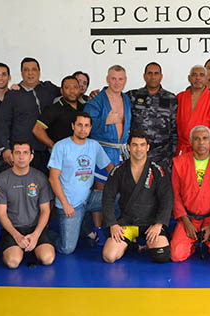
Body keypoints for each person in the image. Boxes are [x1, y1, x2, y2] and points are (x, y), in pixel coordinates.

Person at [102, 130, 173, 263]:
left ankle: (144, 244)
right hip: (128, 222)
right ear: (128, 147)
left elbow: (167, 198)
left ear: (147, 147)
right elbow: (107, 197)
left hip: (150, 223)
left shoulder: (157, 170)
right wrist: (112, 224)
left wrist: (159, 224)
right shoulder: (119, 170)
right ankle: (132, 244)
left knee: (161, 255)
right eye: (134, 145)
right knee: (109, 256)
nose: (138, 149)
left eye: (142, 145)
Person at [48, 112, 113, 254]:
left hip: (88, 198)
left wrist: (125, 184)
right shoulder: (61, 146)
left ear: (90, 128)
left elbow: (110, 168)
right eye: (79, 125)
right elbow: (53, 178)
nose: (83, 129)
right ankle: (46, 236)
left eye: (86, 126)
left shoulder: (94, 145)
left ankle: (88, 226)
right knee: (67, 249)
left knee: (120, 198)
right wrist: (65, 204)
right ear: (73, 126)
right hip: (70, 204)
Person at [83, 65, 132, 245]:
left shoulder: (126, 99)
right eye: (113, 78)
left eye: (120, 78)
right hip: (102, 150)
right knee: (101, 190)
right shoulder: (96, 101)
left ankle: (114, 226)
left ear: (125, 80)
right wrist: (105, 121)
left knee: (120, 190)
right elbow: (84, 125)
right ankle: (97, 230)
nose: (117, 82)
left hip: (121, 151)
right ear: (107, 79)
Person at [170, 126, 210, 263]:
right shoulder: (179, 163)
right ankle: (193, 243)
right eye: (197, 139)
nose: (201, 142)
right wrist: (186, 222)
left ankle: (209, 242)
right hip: (189, 218)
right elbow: (175, 195)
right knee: (176, 255)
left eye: (205, 138)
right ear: (191, 142)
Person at [0, 141, 55, 268]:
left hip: (35, 227)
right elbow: (1, 213)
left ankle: (33, 247)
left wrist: (36, 235)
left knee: (47, 258)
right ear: (12, 156)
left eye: (25, 153)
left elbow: (45, 211)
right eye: (17, 153)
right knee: (12, 262)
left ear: (31, 157)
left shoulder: (40, 178)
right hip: (13, 228)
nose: (21, 157)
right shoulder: (1, 180)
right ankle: (18, 248)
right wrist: (17, 236)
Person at [0, 57, 60, 176]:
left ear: (39, 72)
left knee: (44, 188)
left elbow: (70, 93)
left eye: (34, 70)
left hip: (47, 151)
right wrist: (5, 149)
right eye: (26, 70)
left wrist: (89, 97)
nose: (30, 73)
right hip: (22, 153)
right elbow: (3, 123)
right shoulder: (13, 94)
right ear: (21, 73)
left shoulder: (49, 89)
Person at [127, 62, 178, 170]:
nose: (153, 76)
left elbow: (174, 129)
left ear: (161, 76)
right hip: (138, 153)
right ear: (144, 76)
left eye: (156, 73)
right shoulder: (133, 96)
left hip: (163, 155)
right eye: (150, 73)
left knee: (161, 186)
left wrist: (173, 154)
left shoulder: (171, 98)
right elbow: (114, 97)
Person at [176, 65, 210, 156]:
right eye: (194, 75)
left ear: (206, 79)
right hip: (183, 149)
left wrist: (205, 149)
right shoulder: (180, 97)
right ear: (189, 78)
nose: (198, 78)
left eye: (202, 75)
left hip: (204, 148)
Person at [32, 75, 85, 151]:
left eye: (75, 87)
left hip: (82, 154)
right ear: (61, 91)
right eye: (67, 88)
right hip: (61, 156)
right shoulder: (53, 109)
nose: (72, 91)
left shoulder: (85, 107)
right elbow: (37, 129)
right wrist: (54, 146)